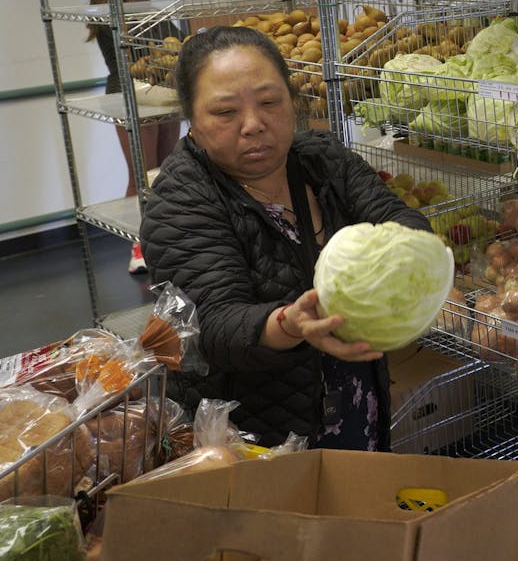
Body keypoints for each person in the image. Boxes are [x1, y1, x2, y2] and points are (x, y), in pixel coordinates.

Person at [140, 26, 433, 451]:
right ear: (192, 120)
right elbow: (213, 327)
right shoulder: (181, 198)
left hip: (353, 403)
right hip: (255, 438)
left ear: (291, 101)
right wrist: (287, 324)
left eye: (269, 102)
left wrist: (415, 260)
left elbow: (398, 218)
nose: (254, 125)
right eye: (225, 113)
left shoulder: (320, 159)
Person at [87, 0, 182, 273]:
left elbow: (178, 44)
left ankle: (170, 240)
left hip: (162, 94)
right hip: (129, 98)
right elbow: (127, 57)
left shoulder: (152, 12)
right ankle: (140, 247)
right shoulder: (108, 12)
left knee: (167, 169)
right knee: (141, 174)